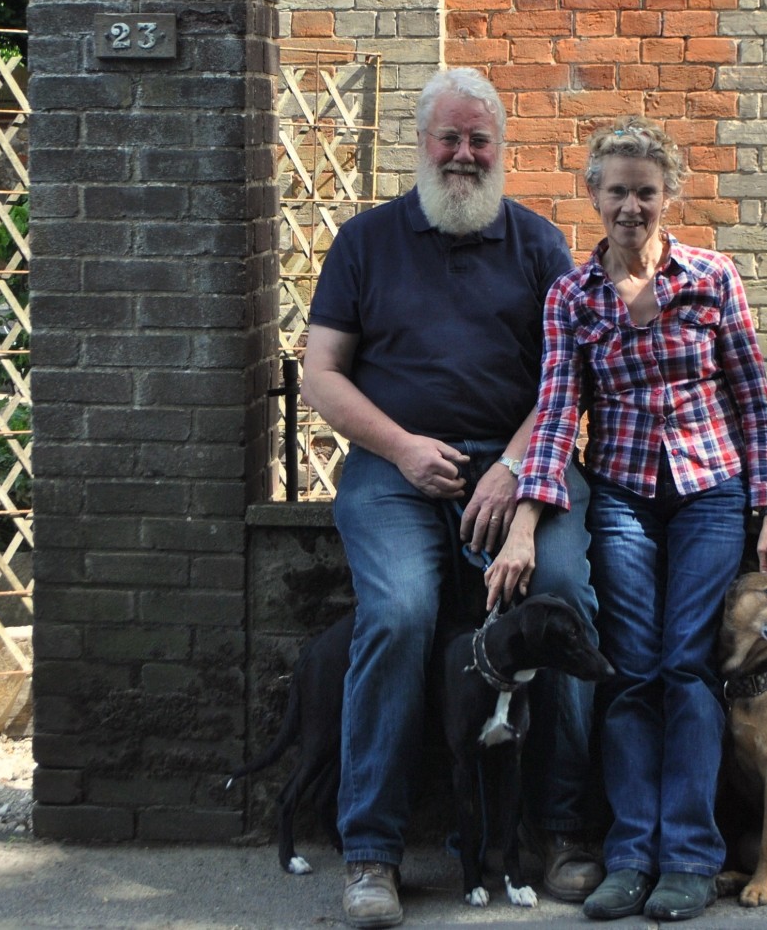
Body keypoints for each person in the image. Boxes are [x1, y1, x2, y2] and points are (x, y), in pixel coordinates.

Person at [302, 68, 603, 929]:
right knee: (398, 612)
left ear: (500, 151)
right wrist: (398, 447)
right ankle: (371, 853)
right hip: (393, 477)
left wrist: (514, 466)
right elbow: (321, 374)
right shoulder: (364, 243)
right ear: (422, 145)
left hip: (517, 471)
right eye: (450, 139)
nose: (465, 156)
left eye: (480, 142)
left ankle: (565, 834)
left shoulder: (539, 245)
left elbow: (564, 383)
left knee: (562, 595)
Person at [508, 115, 767, 923]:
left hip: (710, 493)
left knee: (687, 667)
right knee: (630, 671)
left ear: (670, 194)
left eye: (646, 191)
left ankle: (691, 858)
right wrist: (527, 519)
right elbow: (559, 413)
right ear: (593, 195)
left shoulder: (712, 278)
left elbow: (754, 400)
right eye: (616, 191)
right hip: (626, 493)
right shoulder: (572, 295)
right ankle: (631, 853)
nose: (631, 206)